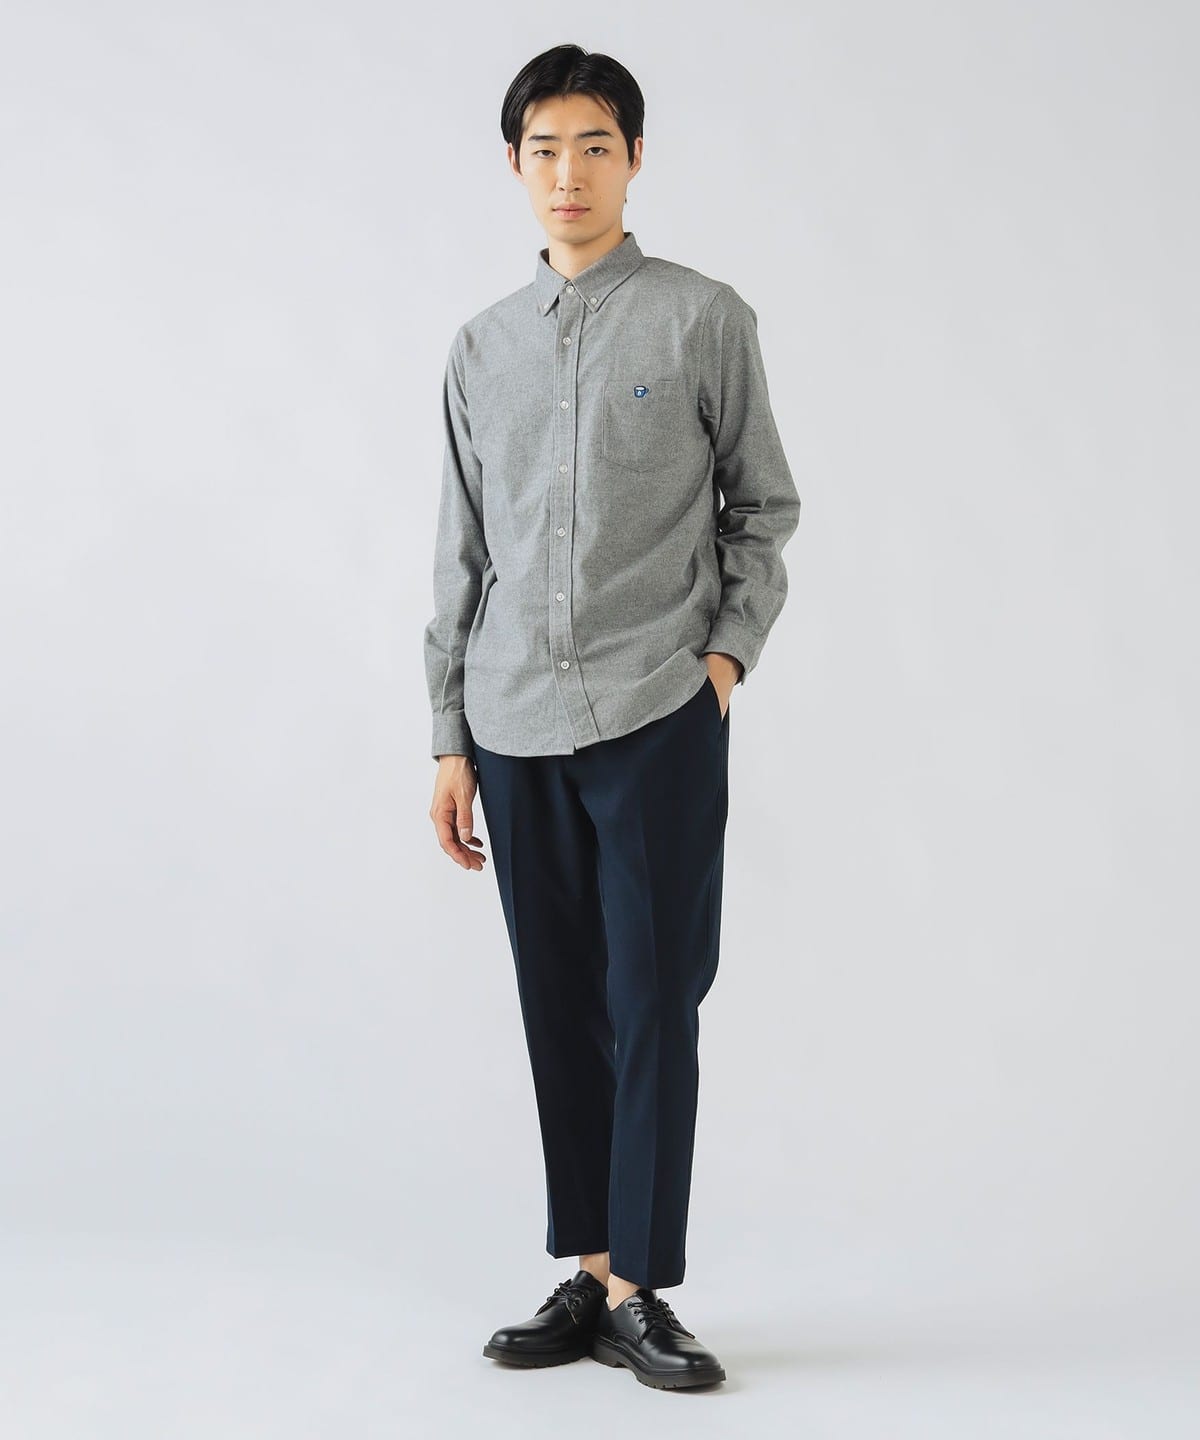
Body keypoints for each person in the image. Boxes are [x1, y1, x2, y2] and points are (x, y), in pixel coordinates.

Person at [423, 42, 801, 1391]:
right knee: (558, 1004)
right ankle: (588, 1273)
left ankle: (643, 1289)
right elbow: (461, 552)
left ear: (635, 158)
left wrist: (723, 666)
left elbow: (763, 507)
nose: (569, 173)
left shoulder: (703, 319)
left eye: (595, 145)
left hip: (656, 710)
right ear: (514, 165)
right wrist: (449, 733)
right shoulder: (480, 348)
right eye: (545, 149)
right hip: (512, 721)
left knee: (654, 999)